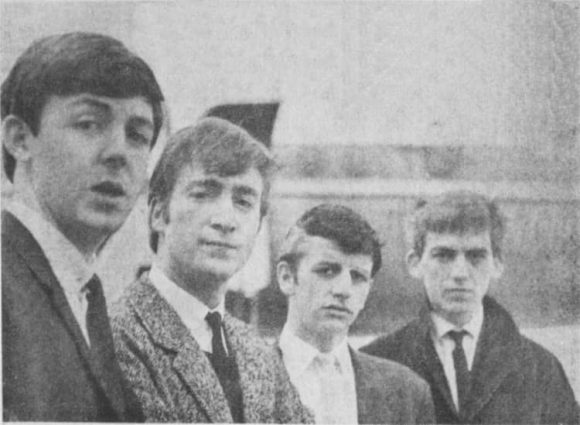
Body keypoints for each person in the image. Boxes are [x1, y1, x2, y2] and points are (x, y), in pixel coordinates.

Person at [1, 32, 164, 421]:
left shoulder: (84, 292)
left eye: (137, 135)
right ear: (20, 139)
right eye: (89, 123)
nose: (118, 153)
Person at [111, 117, 313, 423]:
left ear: (258, 226)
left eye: (243, 201)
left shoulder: (258, 351)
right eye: (204, 193)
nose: (226, 220)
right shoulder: (117, 335)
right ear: (157, 214)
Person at [361, 190, 580, 424]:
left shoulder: (539, 368)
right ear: (415, 264)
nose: (460, 273)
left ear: (497, 264)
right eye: (444, 255)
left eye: (475, 256)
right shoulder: (376, 362)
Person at [276, 204, 435, 424]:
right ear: (287, 277)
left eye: (357, 277)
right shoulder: (239, 376)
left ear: (368, 289)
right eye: (326, 271)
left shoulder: (407, 392)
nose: (343, 289)